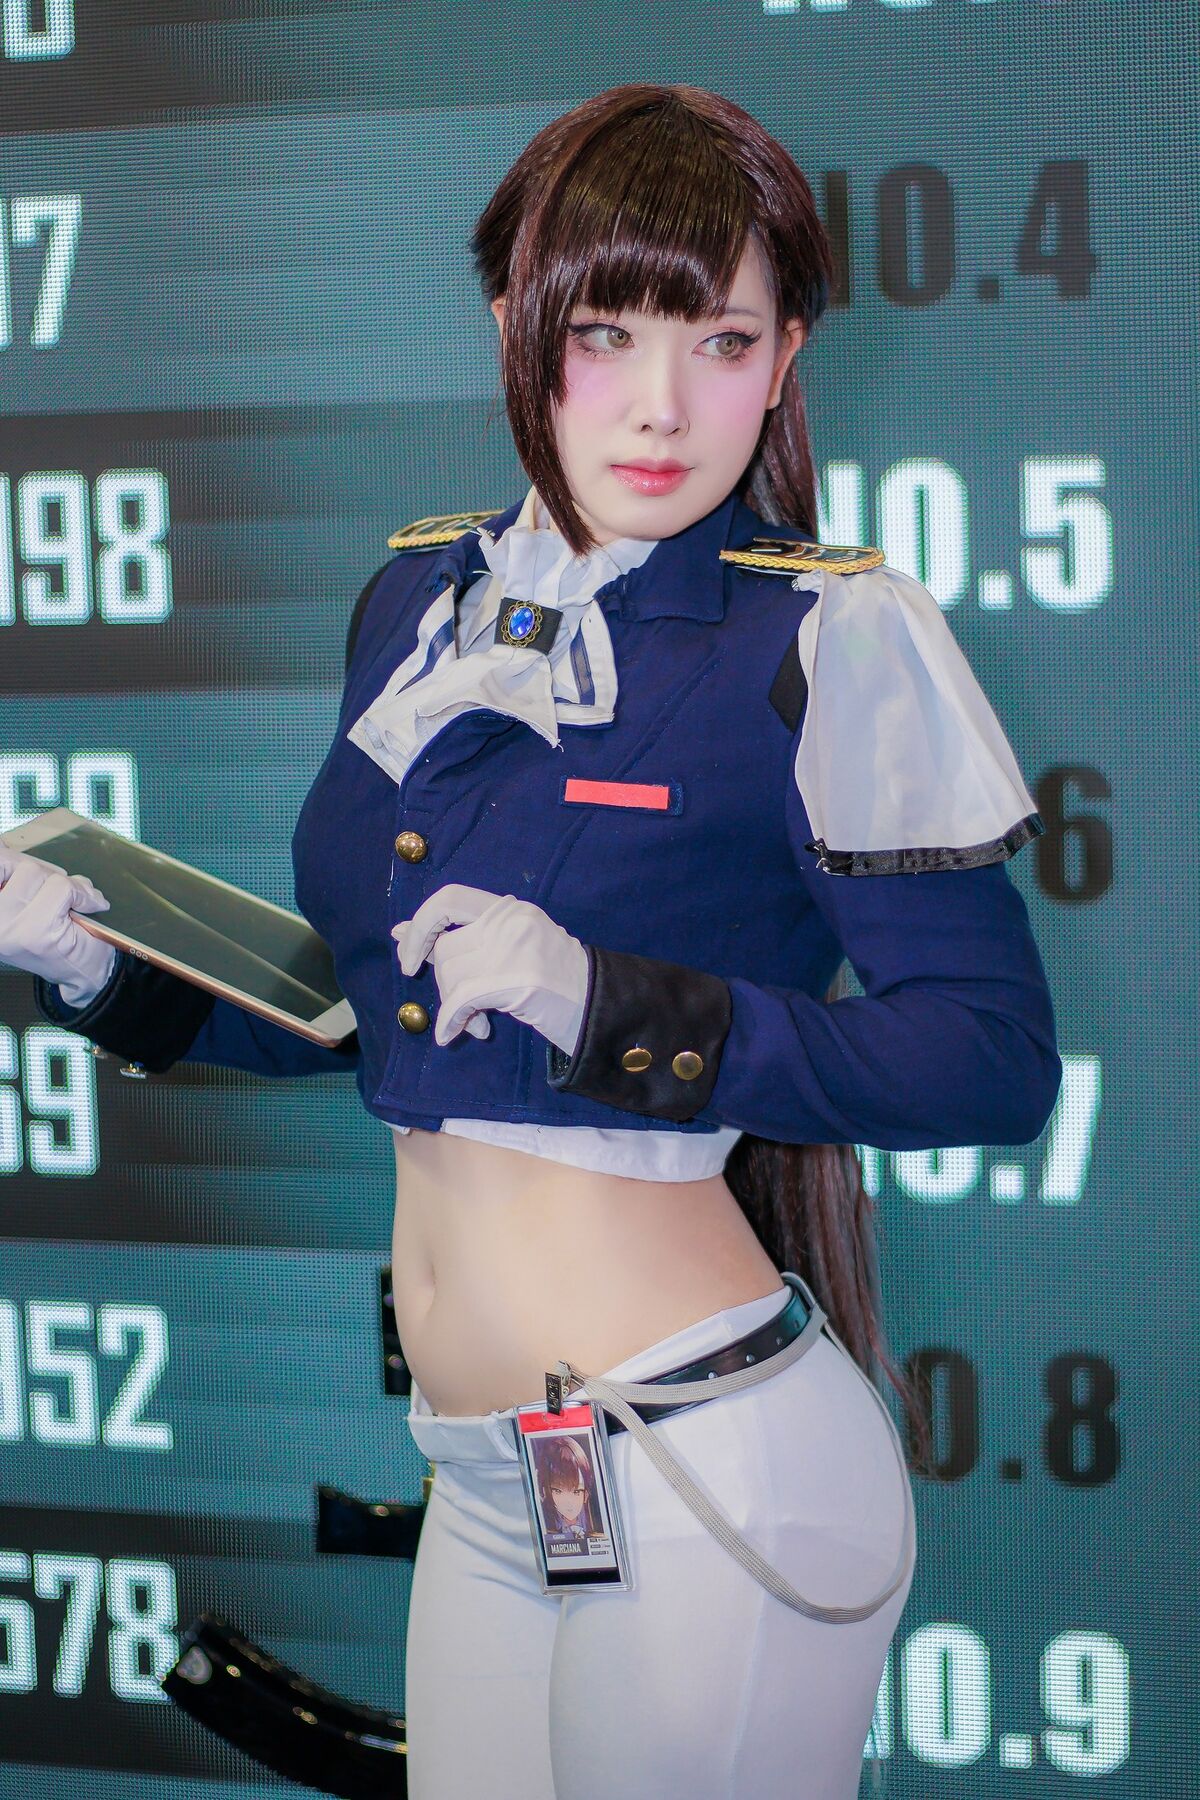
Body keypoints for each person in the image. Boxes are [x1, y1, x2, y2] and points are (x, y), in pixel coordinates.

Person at [0, 84, 1061, 1800]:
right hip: (498, 1484)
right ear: (515, 325)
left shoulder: (828, 635)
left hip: (704, 1465)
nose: (663, 407)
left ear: (787, 356)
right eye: (604, 335)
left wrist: (607, 1002)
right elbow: (384, 1014)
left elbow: (993, 1061)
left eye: (723, 343)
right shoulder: (414, 604)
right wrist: (100, 968)